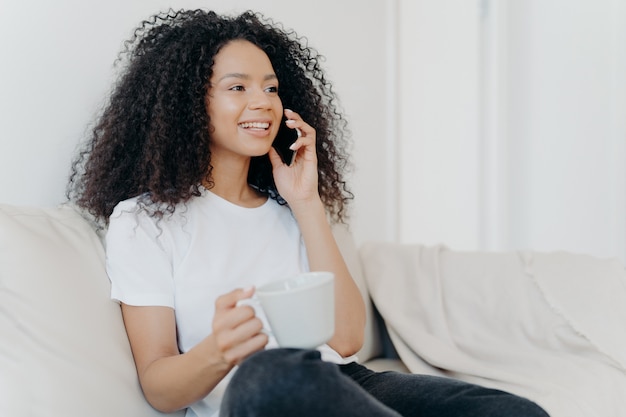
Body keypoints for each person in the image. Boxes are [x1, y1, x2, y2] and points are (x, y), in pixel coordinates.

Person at [68, 9, 550, 417]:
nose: (262, 102)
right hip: (257, 395)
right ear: (187, 104)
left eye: (272, 88)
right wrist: (218, 352)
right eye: (238, 88)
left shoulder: (288, 207)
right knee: (270, 370)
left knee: (514, 412)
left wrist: (307, 203)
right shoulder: (145, 221)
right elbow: (158, 385)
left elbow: (344, 341)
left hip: (343, 384)